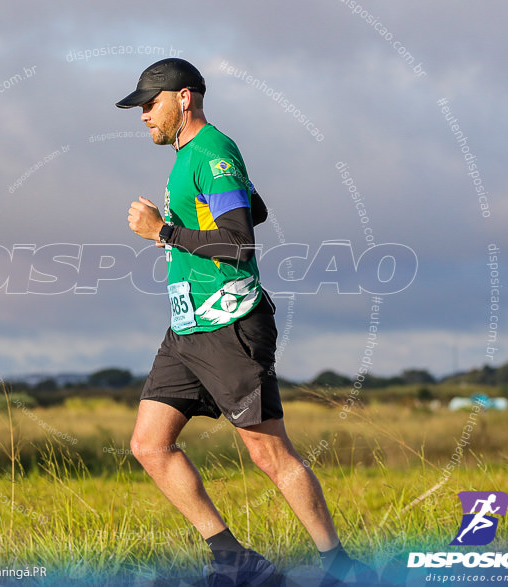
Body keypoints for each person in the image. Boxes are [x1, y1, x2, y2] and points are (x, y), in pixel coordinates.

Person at [117, 58, 372, 586]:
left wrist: (163, 232)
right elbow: (251, 207)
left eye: (151, 102)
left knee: (268, 452)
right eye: (140, 107)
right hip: (187, 329)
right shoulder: (191, 157)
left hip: (229, 323)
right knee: (148, 444)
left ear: (184, 98)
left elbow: (238, 240)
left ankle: (341, 566)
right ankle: (234, 558)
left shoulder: (211, 152)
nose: (143, 114)